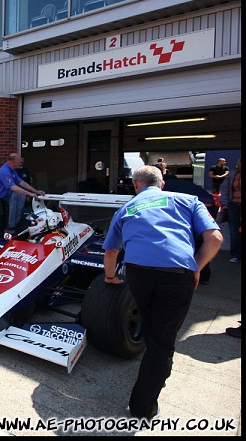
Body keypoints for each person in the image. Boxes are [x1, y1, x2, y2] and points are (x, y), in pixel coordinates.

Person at [102, 165, 223, 420]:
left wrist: (110, 277)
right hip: (176, 276)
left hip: (138, 274)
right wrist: (196, 268)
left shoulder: (126, 208)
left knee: (152, 327)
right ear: (162, 184)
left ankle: (149, 353)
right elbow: (215, 238)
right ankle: (142, 409)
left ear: (136, 185)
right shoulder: (189, 201)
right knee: (162, 342)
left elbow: (111, 252)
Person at [163, 172, 218, 284]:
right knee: (203, 241)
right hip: (209, 204)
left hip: (196, 207)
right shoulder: (185, 184)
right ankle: (204, 275)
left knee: (191, 240)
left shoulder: (164, 187)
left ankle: (192, 273)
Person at [0, 152, 45, 241]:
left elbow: (21, 183)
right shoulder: (5, 171)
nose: (21, 163)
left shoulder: (12, 171)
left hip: (1, 200)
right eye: (19, 161)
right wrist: (29, 194)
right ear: (14, 161)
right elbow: (13, 188)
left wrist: (35, 191)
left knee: (2, 223)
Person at [219, 157, 241, 263]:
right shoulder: (232, 173)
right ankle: (236, 255)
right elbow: (224, 188)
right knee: (234, 230)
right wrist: (224, 204)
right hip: (234, 204)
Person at [8, 156, 32, 231]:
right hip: (13, 192)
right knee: (12, 209)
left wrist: (28, 194)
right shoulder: (12, 170)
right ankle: (11, 225)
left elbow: (27, 182)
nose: (20, 164)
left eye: (22, 162)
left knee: (20, 209)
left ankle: (18, 224)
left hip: (23, 192)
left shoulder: (25, 170)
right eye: (19, 162)